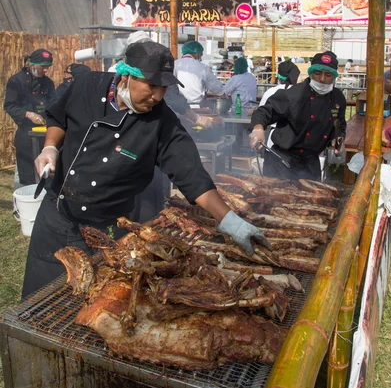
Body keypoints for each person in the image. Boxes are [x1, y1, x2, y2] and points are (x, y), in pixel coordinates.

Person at [22, 41, 270, 297]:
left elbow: (191, 175)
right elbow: (58, 116)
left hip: (108, 231)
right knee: (38, 299)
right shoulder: (87, 85)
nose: (158, 96)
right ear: (127, 75)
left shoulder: (161, 122)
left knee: (97, 305)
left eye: (163, 87)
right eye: (152, 86)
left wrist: (231, 222)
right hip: (57, 217)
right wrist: (50, 147)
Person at [249, 51, 346, 181]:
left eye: (328, 75)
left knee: (312, 200)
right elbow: (264, 112)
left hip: (311, 163)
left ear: (334, 77)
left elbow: (339, 124)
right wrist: (258, 129)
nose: (322, 79)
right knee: (274, 199)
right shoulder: (294, 94)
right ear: (311, 73)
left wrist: (338, 137)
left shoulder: (338, 98)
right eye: (317, 73)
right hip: (282, 161)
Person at [4, 49, 55, 187]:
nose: (45, 70)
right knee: (26, 176)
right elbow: (9, 105)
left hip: (44, 135)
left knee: (46, 174)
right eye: (42, 66)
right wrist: (28, 114)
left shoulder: (48, 83)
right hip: (26, 134)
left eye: (48, 67)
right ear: (32, 64)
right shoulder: (17, 81)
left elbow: (53, 104)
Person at [174, 40, 224, 106]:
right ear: (196, 53)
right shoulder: (202, 67)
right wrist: (223, 94)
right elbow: (216, 86)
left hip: (176, 106)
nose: (201, 57)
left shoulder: (174, 64)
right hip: (196, 106)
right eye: (201, 54)